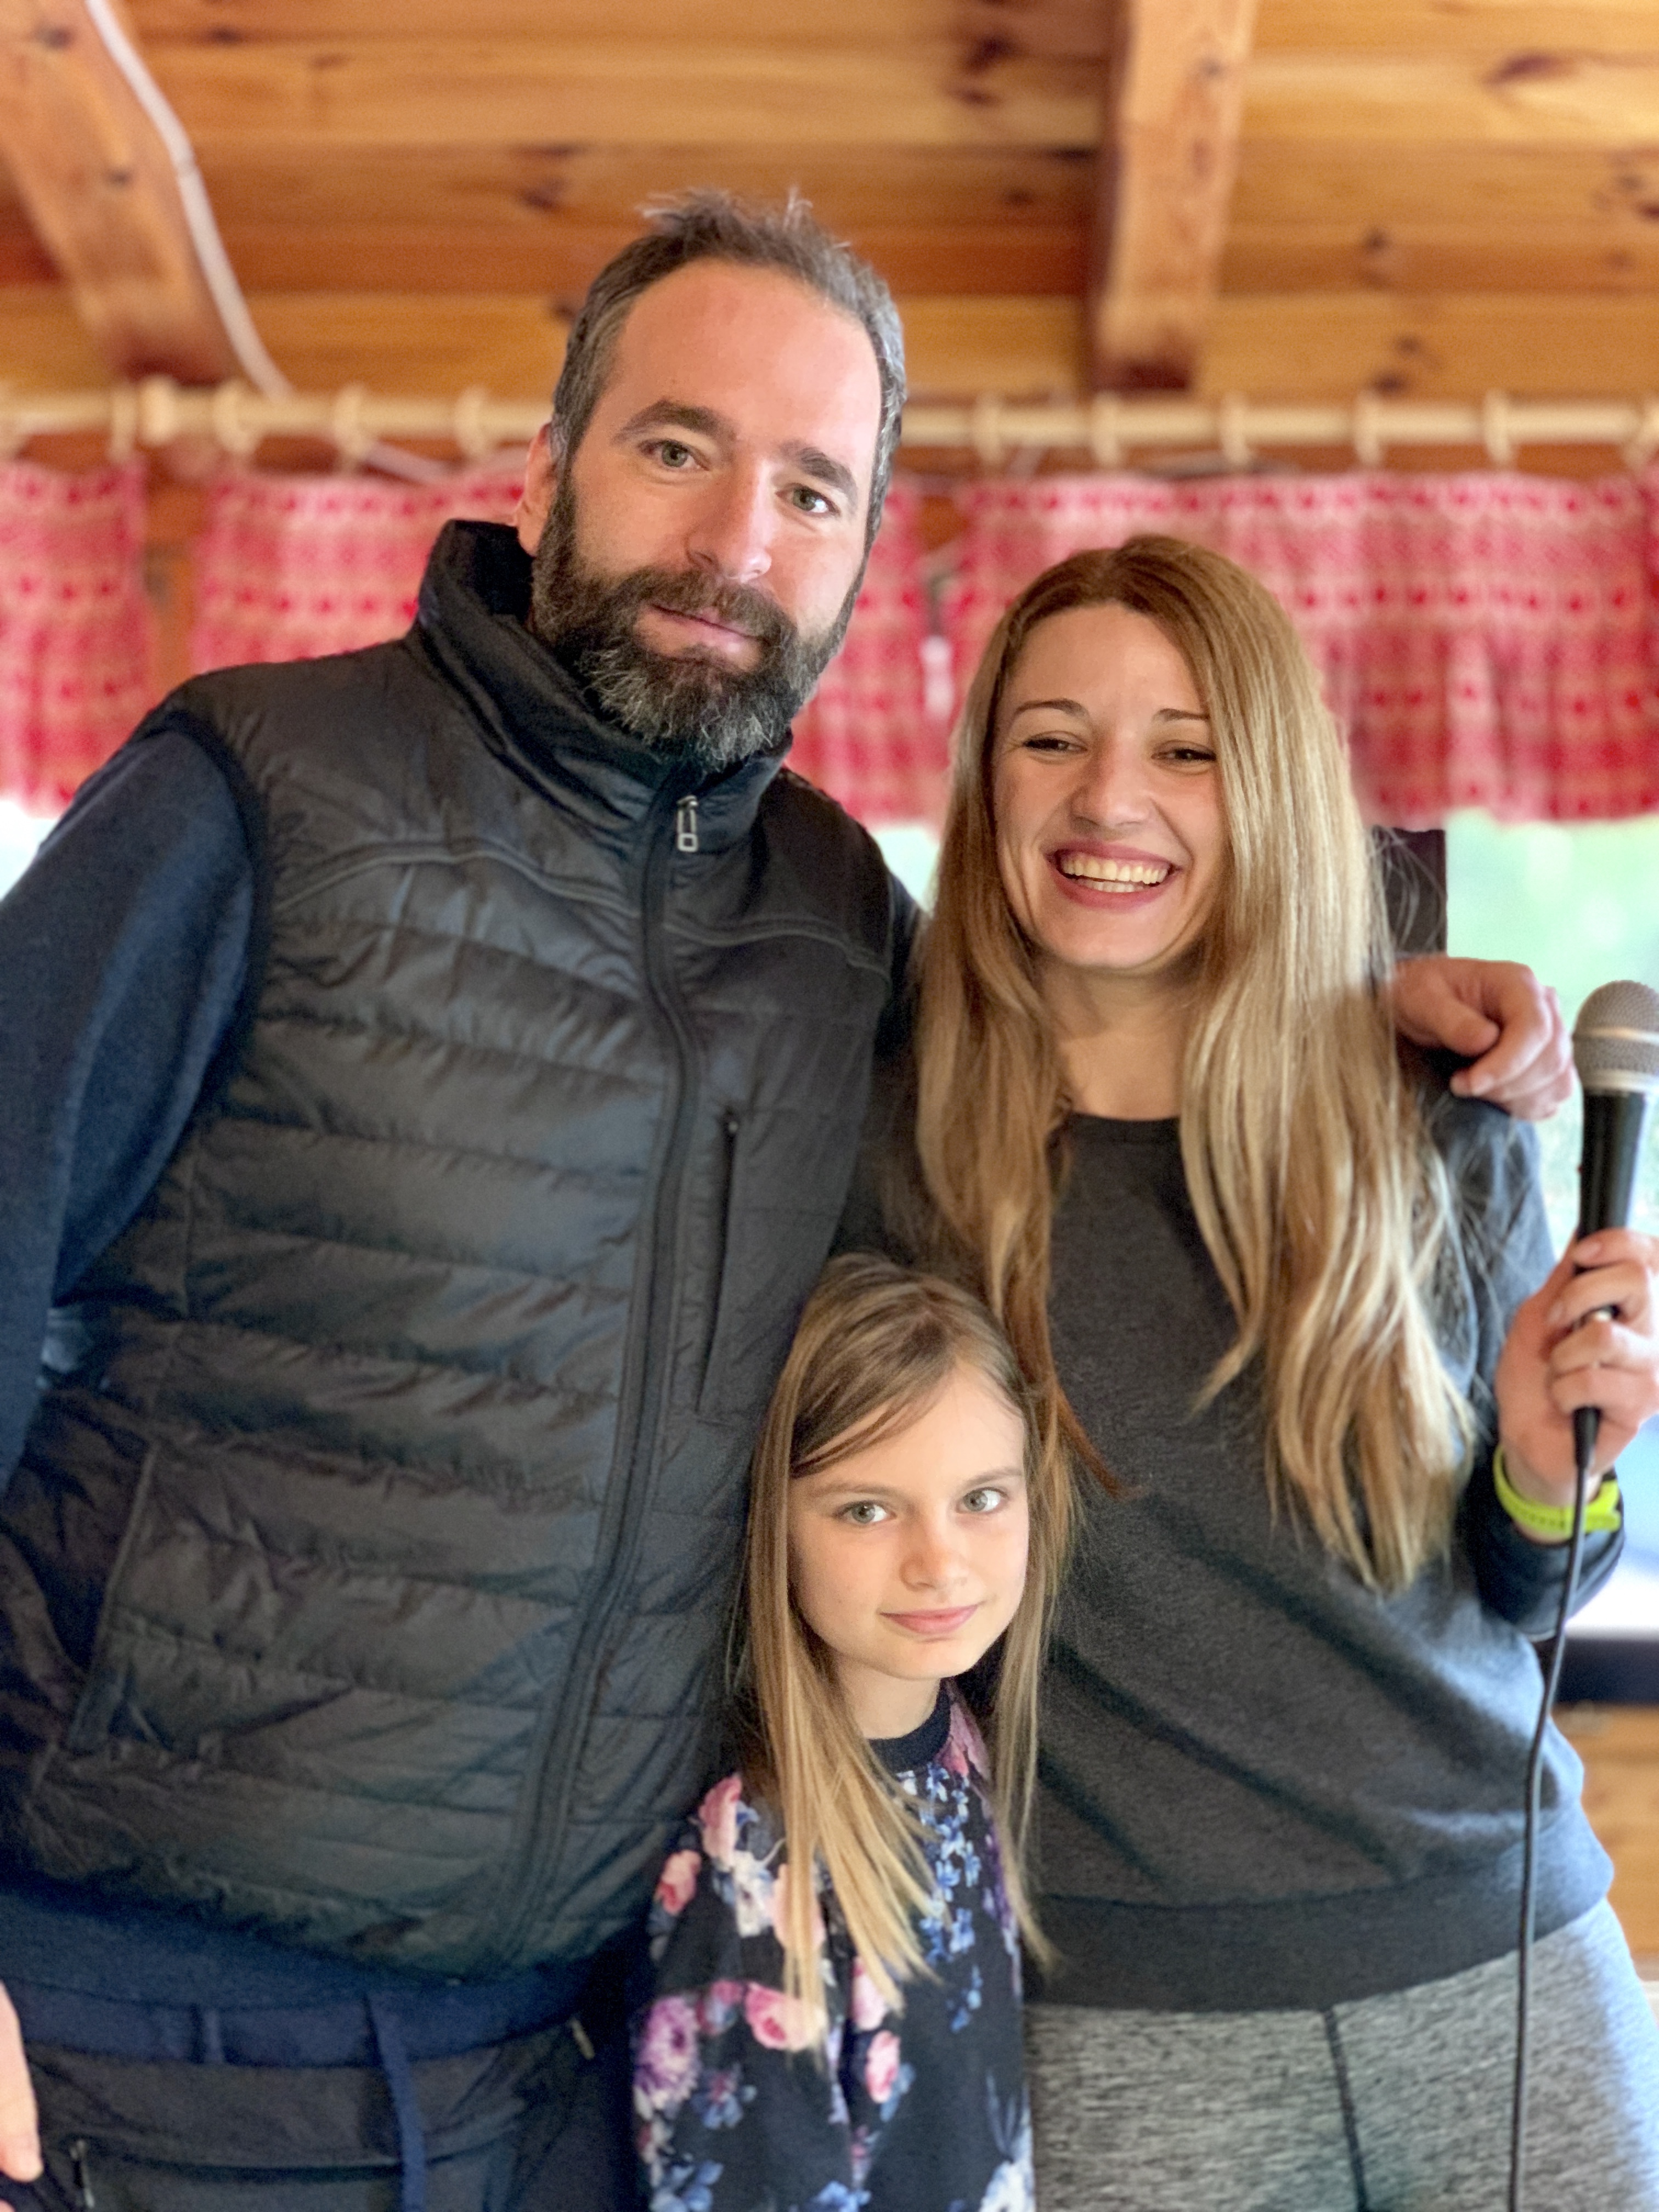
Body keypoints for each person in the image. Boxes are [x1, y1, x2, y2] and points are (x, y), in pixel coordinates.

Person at [0, 189, 1573, 2209]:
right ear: (549, 469)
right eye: (679, 448)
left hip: (560, 2078)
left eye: (812, 490)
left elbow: (1089, 1020)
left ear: (858, 552)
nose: (737, 540)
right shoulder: (259, 799)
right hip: (137, 2046)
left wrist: (1352, 1015)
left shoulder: (835, 922)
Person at [852, 535, 1659, 2210]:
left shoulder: (1438, 1120)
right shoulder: (887, 1159)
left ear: (1272, 787)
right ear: (986, 778)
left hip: (1512, 1975)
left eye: (1188, 749)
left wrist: (1545, 1470)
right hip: (1122, 2029)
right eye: (1053, 737)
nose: (1110, 798)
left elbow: (1528, 1589)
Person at [633, 1253, 1060, 2211]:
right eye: (867, 1510)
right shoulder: (754, 1862)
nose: (940, 1563)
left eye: (981, 1499)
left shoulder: (959, 1743)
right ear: (775, 1524)